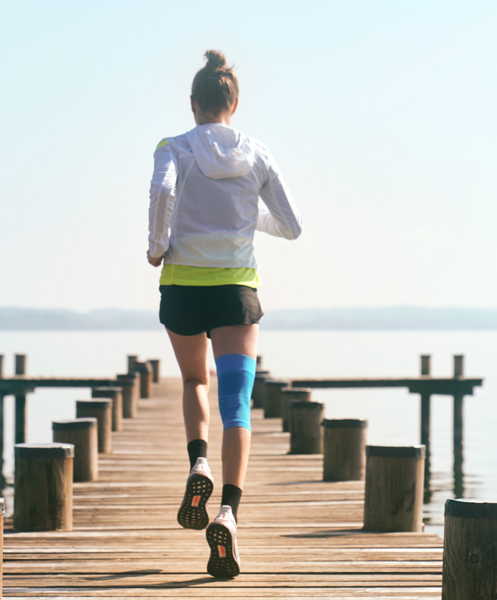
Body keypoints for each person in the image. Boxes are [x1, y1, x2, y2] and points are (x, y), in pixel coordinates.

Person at [145, 49, 302, 579]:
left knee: (194, 380)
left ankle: (198, 463)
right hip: (237, 290)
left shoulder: (173, 147)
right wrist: (242, 217)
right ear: (234, 102)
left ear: (194, 104)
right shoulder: (257, 154)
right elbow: (292, 225)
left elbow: (163, 190)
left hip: (183, 287)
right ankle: (230, 514)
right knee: (237, 405)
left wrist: (156, 244)